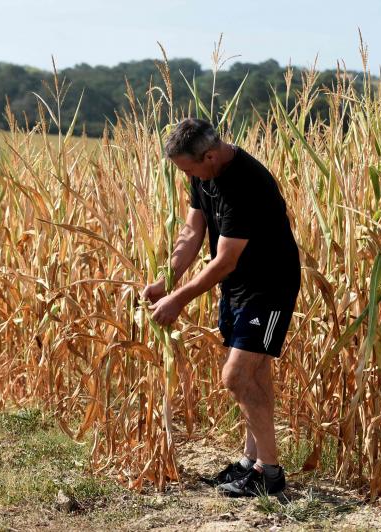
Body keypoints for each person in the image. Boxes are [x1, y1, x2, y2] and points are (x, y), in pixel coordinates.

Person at [141, 118, 301, 497]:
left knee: (236, 376)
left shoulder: (244, 184)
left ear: (209, 156)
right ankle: (253, 462)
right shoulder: (205, 172)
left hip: (269, 287)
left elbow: (225, 259)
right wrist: (166, 279)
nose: (187, 175)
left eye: (188, 168)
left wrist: (177, 301)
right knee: (255, 374)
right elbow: (192, 231)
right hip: (238, 287)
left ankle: (272, 476)